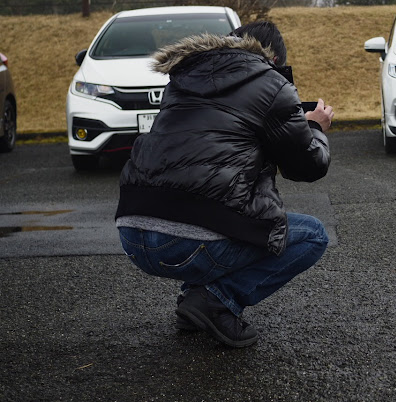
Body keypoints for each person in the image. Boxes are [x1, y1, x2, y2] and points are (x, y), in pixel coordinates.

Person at [115, 20, 333, 348]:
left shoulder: (183, 79)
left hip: (132, 234)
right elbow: (308, 166)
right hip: (187, 245)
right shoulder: (271, 84)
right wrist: (314, 127)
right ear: (273, 60)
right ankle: (216, 300)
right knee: (313, 236)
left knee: (208, 199)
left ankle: (193, 301)